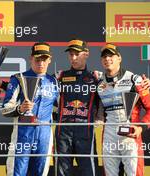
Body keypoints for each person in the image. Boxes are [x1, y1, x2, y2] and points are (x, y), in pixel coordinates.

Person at [96, 43, 150, 176]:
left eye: (111, 56)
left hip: (130, 134)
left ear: (119, 58)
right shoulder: (99, 83)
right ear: (101, 61)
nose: (107, 59)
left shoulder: (136, 80)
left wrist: (141, 128)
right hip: (109, 135)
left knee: (134, 173)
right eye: (104, 57)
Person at [1, 42, 59, 176]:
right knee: (16, 172)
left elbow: (58, 109)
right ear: (30, 58)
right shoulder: (18, 78)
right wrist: (20, 109)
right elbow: (5, 109)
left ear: (49, 60)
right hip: (23, 133)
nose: (41, 62)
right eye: (37, 59)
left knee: (40, 172)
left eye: (44, 59)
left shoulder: (54, 81)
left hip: (44, 135)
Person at [54, 39, 99, 176]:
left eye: (76, 54)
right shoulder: (60, 77)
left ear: (86, 54)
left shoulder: (96, 78)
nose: (73, 58)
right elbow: (35, 87)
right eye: (71, 54)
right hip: (63, 131)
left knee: (88, 171)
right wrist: (3, 85)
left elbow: (118, 89)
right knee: (62, 171)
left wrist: (143, 83)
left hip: (85, 131)